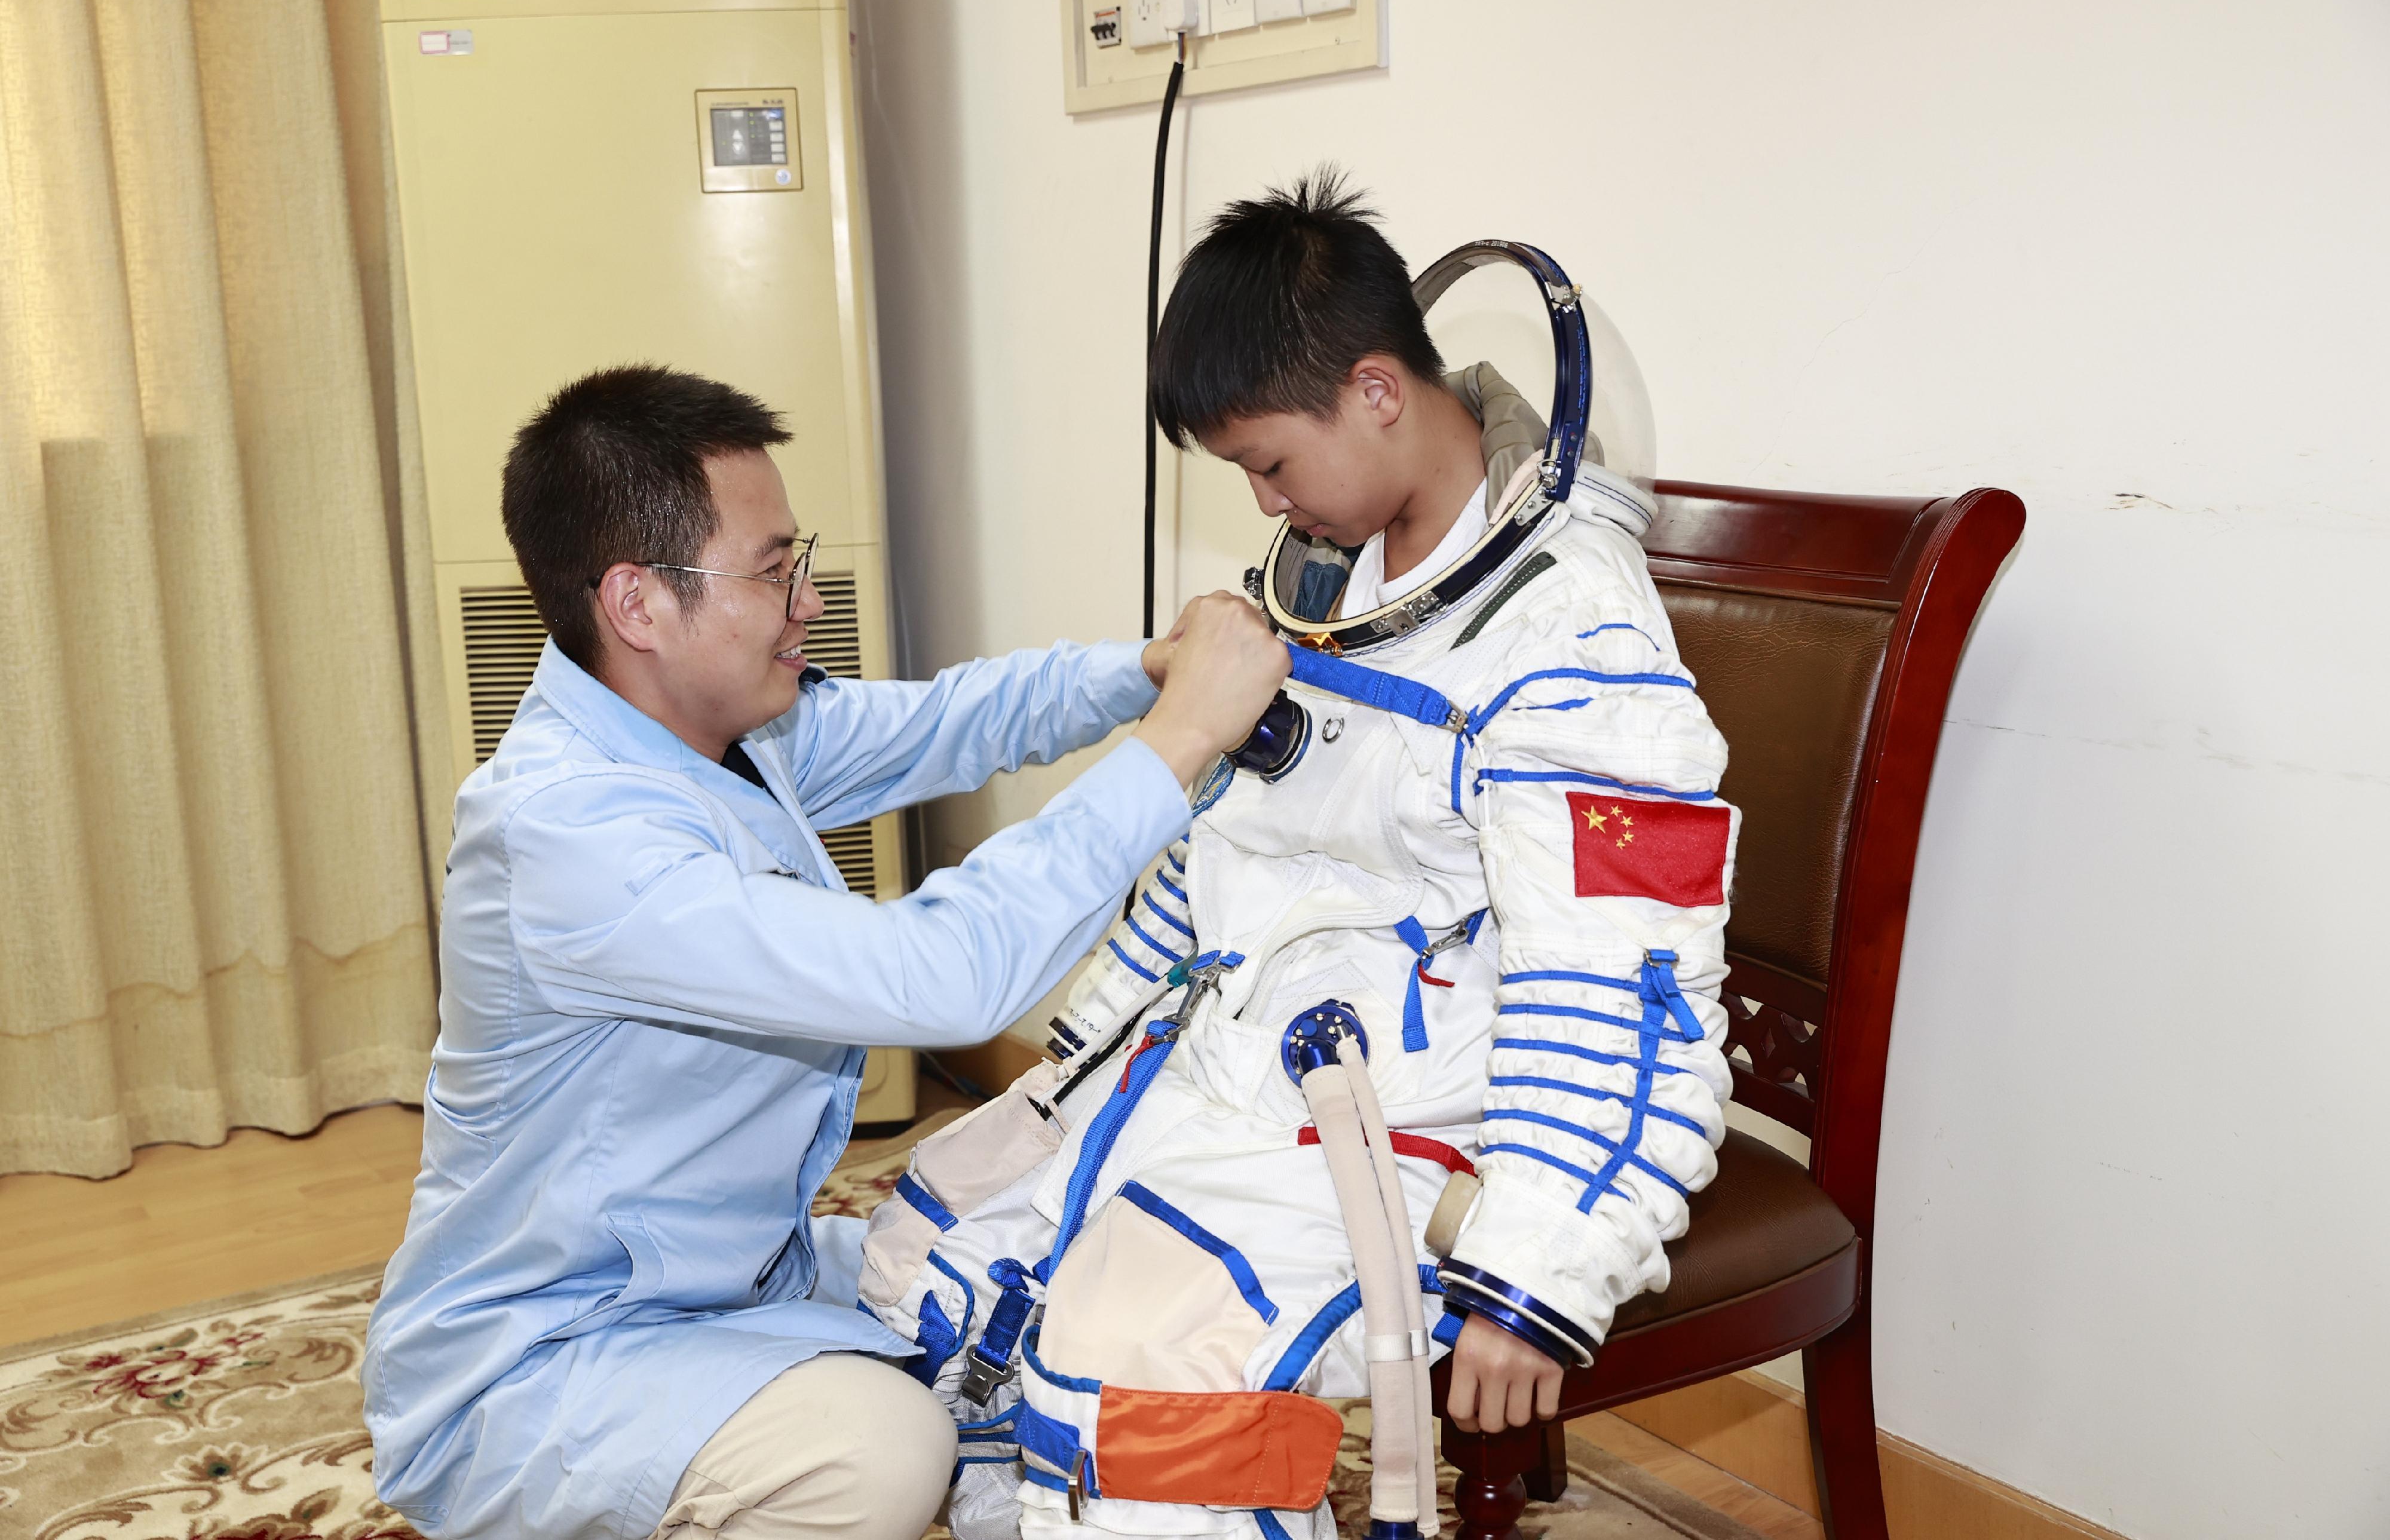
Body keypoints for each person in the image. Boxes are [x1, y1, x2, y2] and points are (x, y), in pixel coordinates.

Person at [858, 175, 1741, 1540]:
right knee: (939, 1273)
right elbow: (1224, 858)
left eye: (1269, 463)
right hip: (1222, 1052)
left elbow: (1623, 987)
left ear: (1378, 392)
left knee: (1142, 1414)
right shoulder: (1329, 576)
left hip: (1398, 1118)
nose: (1264, 501)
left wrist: (1532, 1268)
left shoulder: (1573, 648)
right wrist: (1077, 1054)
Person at [361, 364, 1289, 1540]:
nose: (805, 600)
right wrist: (1182, 735)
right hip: (556, 1350)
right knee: (880, 1448)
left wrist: (1145, 670)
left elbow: (960, 718)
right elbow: (945, 973)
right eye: (770, 569)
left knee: (1036, 1276)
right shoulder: (566, 834)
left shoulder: (729, 726)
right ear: (638, 604)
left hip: (734, 1275)